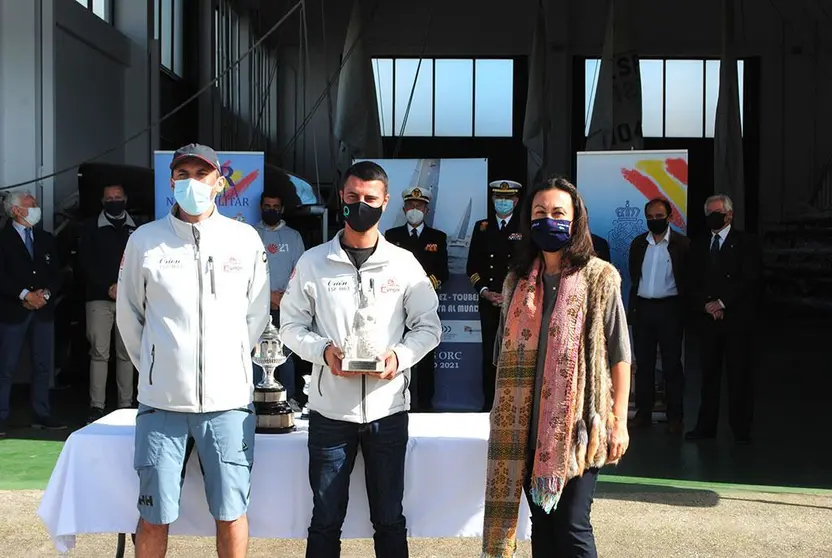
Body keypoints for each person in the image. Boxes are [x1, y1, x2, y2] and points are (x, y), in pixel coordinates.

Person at [280, 161, 441, 558]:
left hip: (387, 412)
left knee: (389, 520)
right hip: (330, 413)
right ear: (341, 199)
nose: (361, 205)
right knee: (325, 521)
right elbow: (289, 327)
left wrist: (399, 357)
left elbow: (428, 328)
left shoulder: (404, 265)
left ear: (386, 202)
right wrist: (323, 351)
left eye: (370, 198)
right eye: (353, 197)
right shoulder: (313, 263)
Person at [117, 143, 270, 558]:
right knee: (154, 515)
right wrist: (154, 367)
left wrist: (234, 360)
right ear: (171, 181)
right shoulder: (145, 241)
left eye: (201, 175)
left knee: (231, 512)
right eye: (182, 174)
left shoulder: (244, 239)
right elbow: (130, 315)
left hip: (228, 403)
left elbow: (255, 315)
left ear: (219, 183)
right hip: (161, 402)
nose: (191, 183)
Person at [482, 178, 631, 558]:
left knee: (572, 526)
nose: (549, 220)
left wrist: (620, 419)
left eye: (558, 213)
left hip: (579, 428)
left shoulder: (600, 277)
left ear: (576, 220)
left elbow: (620, 354)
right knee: (543, 530)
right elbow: (502, 352)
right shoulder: (516, 281)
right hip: (524, 428)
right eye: (539, 213)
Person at [685, 194, 760, 444]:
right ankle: (705, 427)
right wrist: (706, 305)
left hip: (736, 321)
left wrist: (722, 302)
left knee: (739, 377)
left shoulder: (746, 242)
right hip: (708, 322)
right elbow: (691, 281)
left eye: (717, 212)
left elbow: (749, 279)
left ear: (729, 215)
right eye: (708, 213)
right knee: (708, 377)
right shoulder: (699, 244)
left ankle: (741, 430)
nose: (712, 217)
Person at [0, 191, 67, 438]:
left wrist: (45, 295)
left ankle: (42, 413)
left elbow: (56, 272)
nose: (36, 206)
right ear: (16, 210)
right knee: (5, 366)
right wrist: (25, 295)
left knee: (42, 366)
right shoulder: (3, 239)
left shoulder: (45, 238)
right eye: (31, 203)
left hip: (43, 311)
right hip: (13, 311)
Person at [628, 198, 690, 435]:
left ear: (670, 216)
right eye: (650, 217)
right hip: (643, 309)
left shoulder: (681, 244)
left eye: (659, 216)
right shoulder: (638, 244)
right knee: (643, 365)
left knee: (672, 365)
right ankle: (643, 414)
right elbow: (635, 275)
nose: (655, 221)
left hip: (670, 309)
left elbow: (687, 279)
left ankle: (675, 417)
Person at [384, 185, 449, 410]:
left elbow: (443, 272)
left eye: (419, 205)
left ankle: (426, 404)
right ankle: (400, 401)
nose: (414, 209)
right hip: (397, 304)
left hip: (425, 303)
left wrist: (421, 287)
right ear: (403, 209)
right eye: (410, 205)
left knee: (426, 354)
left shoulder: (438, 237)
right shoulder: (392, 236)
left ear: (426, 209)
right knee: (398, 352)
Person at [78, 184, 138, 424]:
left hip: (129, 300)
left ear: (125, 199)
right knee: (99, 353)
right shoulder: (90, 227)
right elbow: (84, 264)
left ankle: (126, 404)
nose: (114, 201)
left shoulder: (137, 228)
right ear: (103, 201)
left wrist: (123, 288)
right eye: (109, 198)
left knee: (127, 354)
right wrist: (108, 287)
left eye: (118, 197)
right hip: (98, 299)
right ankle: (97, 406)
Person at [466, 179, 524, 411]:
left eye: (508, 198)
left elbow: (530, 266)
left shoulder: (524, 227)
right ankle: (489, 404)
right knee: (490, 354)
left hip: (517, 303)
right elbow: (472, 266)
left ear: (516, 200)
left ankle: (514, 405)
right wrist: (485, 292)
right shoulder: (482, 227)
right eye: (499, 197)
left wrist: (513, 295)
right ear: (492, 200)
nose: (503, 202)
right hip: (489, 302)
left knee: (516, 354)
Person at [254, 188, 305, 405]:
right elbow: (245, 271)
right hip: (257, 305)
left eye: (275, 207)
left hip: (285, 304)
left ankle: (288, 397)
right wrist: (268, 296)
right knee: (256, 352)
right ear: (261, 208)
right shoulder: (251, 234)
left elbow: (301, 271)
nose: (271, 210)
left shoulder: (293, 236)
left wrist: (284, 297)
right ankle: (255, 396)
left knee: (285, 353)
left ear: (282, 209)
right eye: (267, 207)